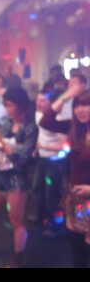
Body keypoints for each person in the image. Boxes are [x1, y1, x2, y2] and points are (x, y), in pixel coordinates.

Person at [0, 86, 38, 267]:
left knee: (16, 220)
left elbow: (24, 156)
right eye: (5, 104)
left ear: (20, 105)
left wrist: (0, 141)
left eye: (9, 105)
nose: (6, 108)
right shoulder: (4, 121)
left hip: (16, 179)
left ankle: (17, 258)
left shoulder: (30, 127)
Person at [40, 87, 90, 267]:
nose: (80, 110)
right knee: (77, 251)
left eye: (86, 105)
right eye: (77, 106)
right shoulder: (75, 129)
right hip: (76, 198)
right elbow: (46, 121)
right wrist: (67, 95)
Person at [30, 91, 69, 238]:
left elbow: (66, 146)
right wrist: (36, 148)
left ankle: (55, 225)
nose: (38, 103)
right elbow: (41, 134)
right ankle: (40, 215)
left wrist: (45, 147)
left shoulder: (59, 119)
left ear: (51, 104)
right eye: (37, 100)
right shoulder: (38, 114)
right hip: (42, 158)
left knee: (51, 194)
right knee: (37, 188)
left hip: (55, 161)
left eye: (42, 100)